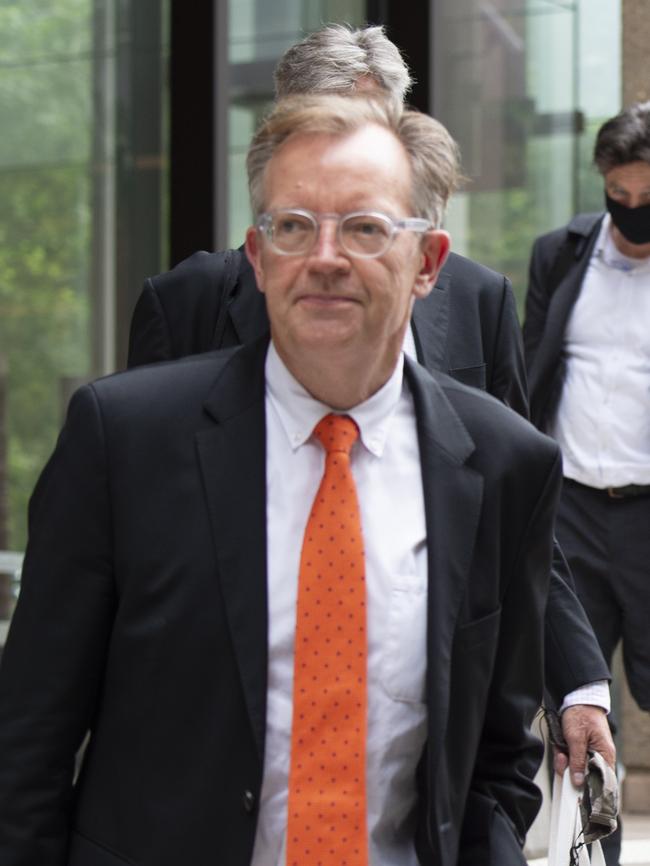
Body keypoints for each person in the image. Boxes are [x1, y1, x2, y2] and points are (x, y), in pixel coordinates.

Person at [0, 91, 561, 866]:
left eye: (364, 228)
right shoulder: (123, 441)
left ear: (427, 262)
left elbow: (497, 757)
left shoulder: (505, 465)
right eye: (293, 227)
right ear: (258, 260)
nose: (324, 258)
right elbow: (26, 740)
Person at [127, 23, 614, 786]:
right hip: (220, 765)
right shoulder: (187, 304)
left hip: (422, 759)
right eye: (320, 127)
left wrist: (578, 682)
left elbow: (515, 512)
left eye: (369, 129)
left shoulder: (476, 300)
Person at [524, 100, 650, 866]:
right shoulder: (563, 254)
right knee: (579, 698)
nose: (633, 215)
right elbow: (536, 370)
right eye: (621, 198)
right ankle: (597, 855)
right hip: (572, 507)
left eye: (648, 200)